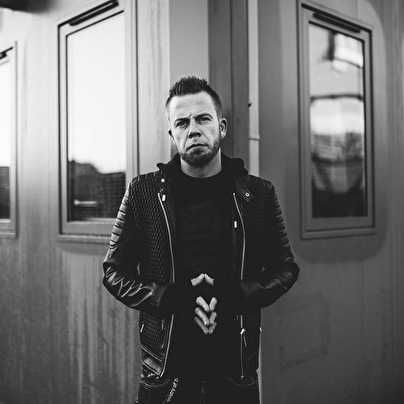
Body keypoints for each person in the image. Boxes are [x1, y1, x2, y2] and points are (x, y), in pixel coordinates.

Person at [103, 76, 300, 404]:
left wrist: (240, 294)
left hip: (235, 369)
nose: (193, 129)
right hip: (166, 371)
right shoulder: (143, 193)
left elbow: (286, 269)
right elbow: (113, 272)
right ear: (172, 134)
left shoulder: (258, 195)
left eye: (202, 118)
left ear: (221, 127)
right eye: (182, 122)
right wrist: (166, 297)